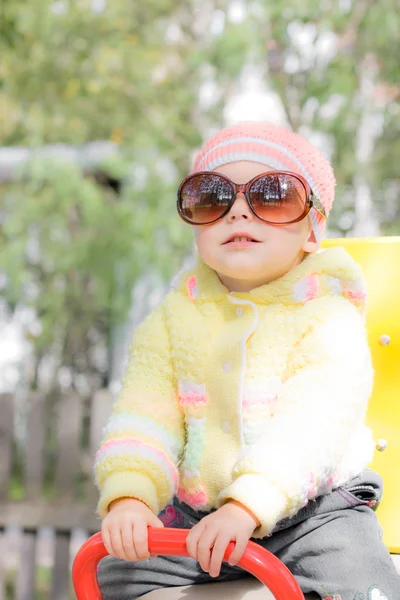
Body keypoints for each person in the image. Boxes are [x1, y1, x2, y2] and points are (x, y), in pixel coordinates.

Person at [94, 122, 400, 600]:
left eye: (273, 197)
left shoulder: (327, 316)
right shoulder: (172, 320)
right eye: (213, 198)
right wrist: (130, 496)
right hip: (201, 516)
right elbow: (143, 414)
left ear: (312, 229)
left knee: (362, 583)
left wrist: (246, 505)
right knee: (113, 574)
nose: (239, 211)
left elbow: (313, 426)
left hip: (314, 512)